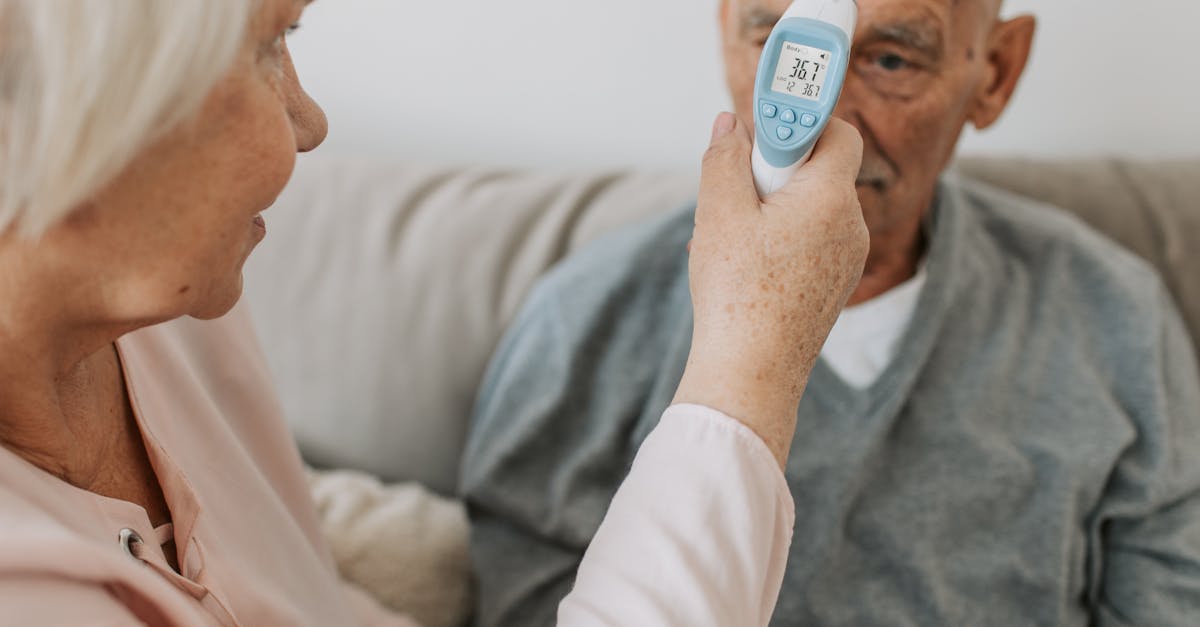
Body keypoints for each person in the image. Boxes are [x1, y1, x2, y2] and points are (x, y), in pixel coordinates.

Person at [0, 0, 873, 625]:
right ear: (67, 128)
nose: (309, 120)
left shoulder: (178, 296)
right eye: (271, 43)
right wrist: (748, 363)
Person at [460, 0, 1200, 625]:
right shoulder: (583, 318)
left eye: (892, 61)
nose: (827, 124)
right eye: (779, 42)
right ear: (729, 31)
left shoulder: (1114, 315)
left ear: (995, 74)